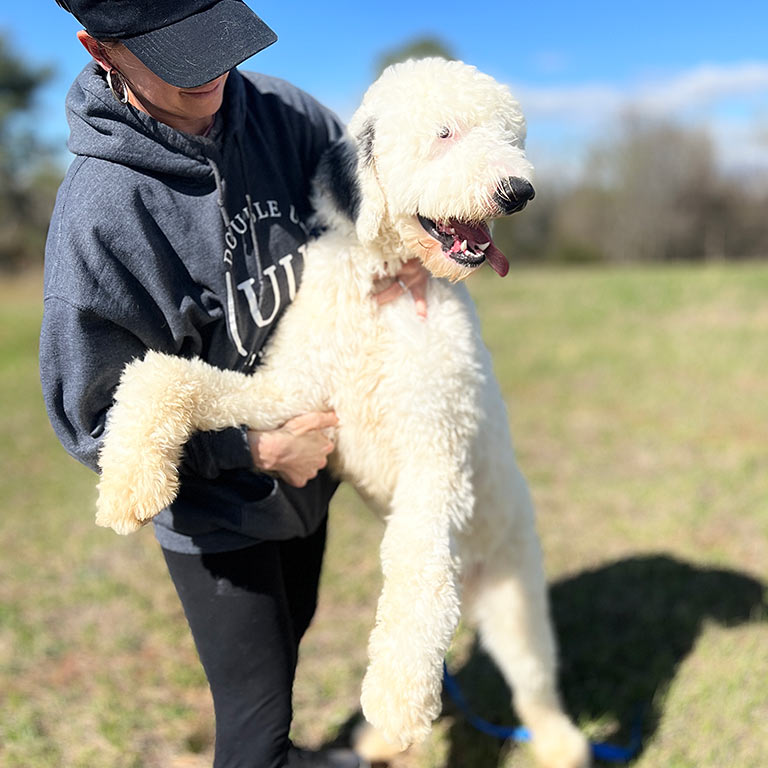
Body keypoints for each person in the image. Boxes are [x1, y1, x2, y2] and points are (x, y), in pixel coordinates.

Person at [40, 2, 428, 767]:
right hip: (219, 505)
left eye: (219, 43)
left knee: (289, 644)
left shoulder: (283, 112)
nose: (214, 73)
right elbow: (97, 423)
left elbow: (364, 206)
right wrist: (254, 448)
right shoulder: (102, 217)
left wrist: (401, 250)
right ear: (100, 50)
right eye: (180, 58)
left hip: (313, 473)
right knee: (254, 731)